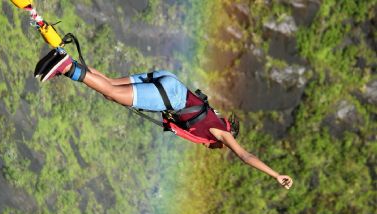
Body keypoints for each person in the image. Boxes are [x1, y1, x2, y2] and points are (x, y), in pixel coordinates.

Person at [34, 47, 293, 189]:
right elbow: (245, 156)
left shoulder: (214, 118)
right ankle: (66, 66)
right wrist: (276, 175)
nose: (216, 146)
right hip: (172, 95)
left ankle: (63, 59)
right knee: (112, 91)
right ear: (227, 135)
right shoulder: (221, 133)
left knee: (111, 90)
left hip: (170, 81)